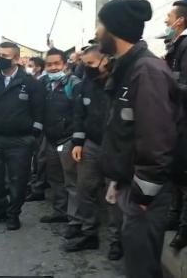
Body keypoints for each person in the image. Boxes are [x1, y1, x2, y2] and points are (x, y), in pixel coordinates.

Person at [97, 0, 179, 278]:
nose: (96, 32)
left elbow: (156, 138)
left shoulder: (147, 71)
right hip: (129, 185)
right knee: (135, 263)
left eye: (100, 25)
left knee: (142, 269)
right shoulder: (125, 67)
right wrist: (118, 181)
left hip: (145, 193)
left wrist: (143, 196)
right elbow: (124, 132)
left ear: (114, 29)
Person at [0, 41, 44, 231]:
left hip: (20, 141)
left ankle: (13, 214)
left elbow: (39, 111)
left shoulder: (30, 83)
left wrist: (32, 136)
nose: (0, 59)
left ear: (17, 59)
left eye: (5, 56)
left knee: (18, 180)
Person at [64, 44, 123, 260]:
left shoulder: (120, 84)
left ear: (105, 61)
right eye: (84, 63)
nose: (86, 68)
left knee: (113, 195)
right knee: (84, 188)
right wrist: (78, 142)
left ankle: (117, 240)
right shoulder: (84, 86)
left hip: (116, 147)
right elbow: (79, 115)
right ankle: (89, 233)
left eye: (90, 63)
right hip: (91, 144)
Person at [163, 0, 187, 250]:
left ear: (180, 21)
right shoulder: (178, 44)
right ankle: (175, 216)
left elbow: (184, 82)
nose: (166, 20)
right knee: (177, 171)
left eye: (169, 16)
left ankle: (185, 226)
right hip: (178, 118)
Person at [38, 48, 82, 244]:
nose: (53, 67)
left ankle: (75, 221)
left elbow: (81, 113)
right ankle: (60, 211)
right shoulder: (42, 84)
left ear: (64, 64)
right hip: (50, 138)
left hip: (68, 140)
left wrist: (76, 139)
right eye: (49, 64)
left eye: (57, 64)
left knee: (71, 181)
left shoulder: (73, 84)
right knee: (55, 177)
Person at [26, 56, 48, 202]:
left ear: (38, 67)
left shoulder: (43, 81)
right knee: (37, 157)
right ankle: (35, 184)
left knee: (41, 157)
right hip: (36, 124)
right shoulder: (34, 81)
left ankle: (39, 187)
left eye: (30, 65)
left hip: (45, 125)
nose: (27, 67)